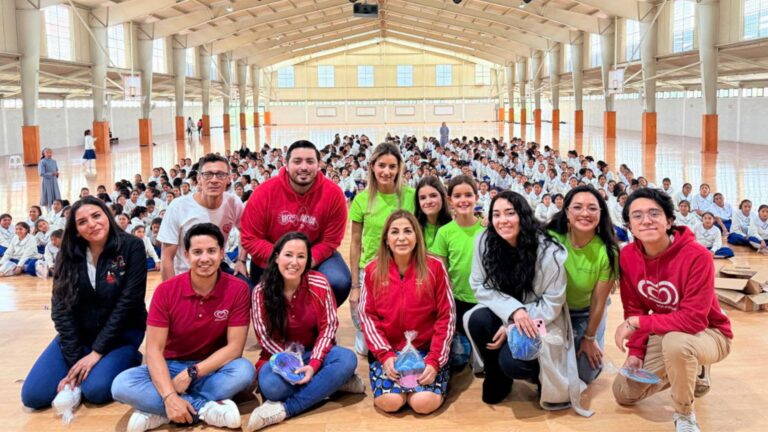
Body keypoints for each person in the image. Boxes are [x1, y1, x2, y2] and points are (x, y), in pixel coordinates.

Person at [111, 223, 254, 432]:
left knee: (244, 371)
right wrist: (169, 395)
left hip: (210, 368)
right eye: (197, 252)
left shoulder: (238, 289)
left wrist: (192, 373)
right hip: (170, 366)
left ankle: (158, 412)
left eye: (212, 251)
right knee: (122, 385)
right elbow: (153, 350)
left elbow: (234, 348)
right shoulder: (166, 291)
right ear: (186, 255)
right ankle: (203, 409)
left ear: (222, 253)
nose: (205, 258)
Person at [613, 187, 732, 432]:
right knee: (624, 393)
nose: (645, 220)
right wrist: (635, 352)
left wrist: (637, 323)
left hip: (709, 332)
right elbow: (634, 307)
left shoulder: (697, 256)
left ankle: (685, 414)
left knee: (678, 344)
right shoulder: (627, 256)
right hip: (665, 331)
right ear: (629, 225)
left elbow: (694, 320)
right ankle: (691, 369)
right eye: (637, 216)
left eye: (654, 213)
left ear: (669, 221)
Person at [464, 191, 590, 415]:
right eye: (496, 214)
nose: (503, 220)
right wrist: (513, 312)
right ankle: (496, 374)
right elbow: (478, 285)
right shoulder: (484, 241)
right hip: (509, 313)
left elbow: (552, 304)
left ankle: (536, 373)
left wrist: (512, 324)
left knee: (514, 362)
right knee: (478, 320)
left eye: (510, 213)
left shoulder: (550, 252)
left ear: (523, 215)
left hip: (541, 318)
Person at [21, 197, 147, 410]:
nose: (92, 223)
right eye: (82, 221)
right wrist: (76, 359)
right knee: (33, 396)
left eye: (96, 216)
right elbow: (60, 309)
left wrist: (96, 353)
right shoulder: (68, 254)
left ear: (107, 216)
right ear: (76, 229)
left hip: (121, 334)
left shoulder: (131, 246)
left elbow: (128, 303)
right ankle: (88, 362)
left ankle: (130, 357)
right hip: (81, 335)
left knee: (95, 391)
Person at [246, 232, 362, 431]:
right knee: (271, 387)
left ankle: (287, 409)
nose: (294, 262)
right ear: (276, 257)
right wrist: (291, 364)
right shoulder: (260, 292)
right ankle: (333, 383)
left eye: (301, 256)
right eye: (288, 255)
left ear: (308, 261)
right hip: (279, 358)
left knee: (347, 360)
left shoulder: (320, 283)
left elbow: (328, 328)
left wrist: (314, 364)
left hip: (316, 352)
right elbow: (264, 338)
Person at [358, 211, 455, 415]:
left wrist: (435, 360)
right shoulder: (372, 270)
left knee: (422, 403)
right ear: (386, 239)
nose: (401, 238)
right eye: (394, 232)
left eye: (407, 231)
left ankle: (442, 375)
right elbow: (368, 317)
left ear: (417, 236)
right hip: (390, 351)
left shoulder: (435, 267)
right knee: (390, 402)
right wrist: (385, 355)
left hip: (427, 350)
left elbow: (446, 317)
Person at [241, 140, 351, 304]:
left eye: (310, 161)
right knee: (267, 298)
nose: (304, 167)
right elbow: (250, 238)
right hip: (272, 257)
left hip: (314, 257)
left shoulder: (334, 194)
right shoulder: (264, 193)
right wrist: (285, 259)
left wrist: (305, 260)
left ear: (319, 164)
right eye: (297, 161)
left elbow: (331, 240)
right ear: (286, 164)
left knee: (338, 282)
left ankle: (317, 320)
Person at [546, 186, 619, 384]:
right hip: (555, 311)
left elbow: (598, 301)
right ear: (567, 212)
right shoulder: (551, 239)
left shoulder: (608, 252)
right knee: (548, 365)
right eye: (577, 207)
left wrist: (589, 337)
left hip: (586, 312)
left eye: (592, 208)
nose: (585, 213)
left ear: (601, 213)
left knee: (585, 373)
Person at [349, 143, 415, 355]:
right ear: (372, 167)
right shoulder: (361, 200)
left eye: (392, 166)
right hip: (369, 270)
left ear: (399, 169)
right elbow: (356, 242)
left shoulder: (411, 196)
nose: (386, 171)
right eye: (381, 165)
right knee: (370, 349)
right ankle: (364, 333)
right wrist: (354, 285)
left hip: (403, 269)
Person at [157, 153, 248, 283]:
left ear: (228, 179)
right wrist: (172, 292)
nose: (214, 180)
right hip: (186, 273)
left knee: (247, 289)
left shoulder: (234, 202)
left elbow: (247, 231)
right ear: (199, 179)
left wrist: (241, 260)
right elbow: (166, 256)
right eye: (208, 175)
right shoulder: (178, 207)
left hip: (218, 268)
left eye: (220, 175)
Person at [429, 175, 483, 337]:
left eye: (468, 195)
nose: (463, 200)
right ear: (450, 200)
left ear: (477, 197)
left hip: (484, 299)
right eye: (457, 196)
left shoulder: (488, 228)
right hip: (456, 299)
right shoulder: (445, 232)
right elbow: (440, 270)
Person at [414, 176, 452, 250]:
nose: (428, 202)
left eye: (433, 196)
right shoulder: (413, 228)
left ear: (442, 197)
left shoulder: (454, 225)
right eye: (423, 198)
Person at [39, 148, 62, 213]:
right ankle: (48, 211)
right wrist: (51, 174)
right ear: (44, 154)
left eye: (50, 152)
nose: (49, 154)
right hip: (46, 181)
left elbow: (56, 169)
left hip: (54, 181)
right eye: (47, 153)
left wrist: (57, 174)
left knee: (55, 194)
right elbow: (41, 173)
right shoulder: (42, 162)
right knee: (47, 194)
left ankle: (57, 209)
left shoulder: (54, 161)